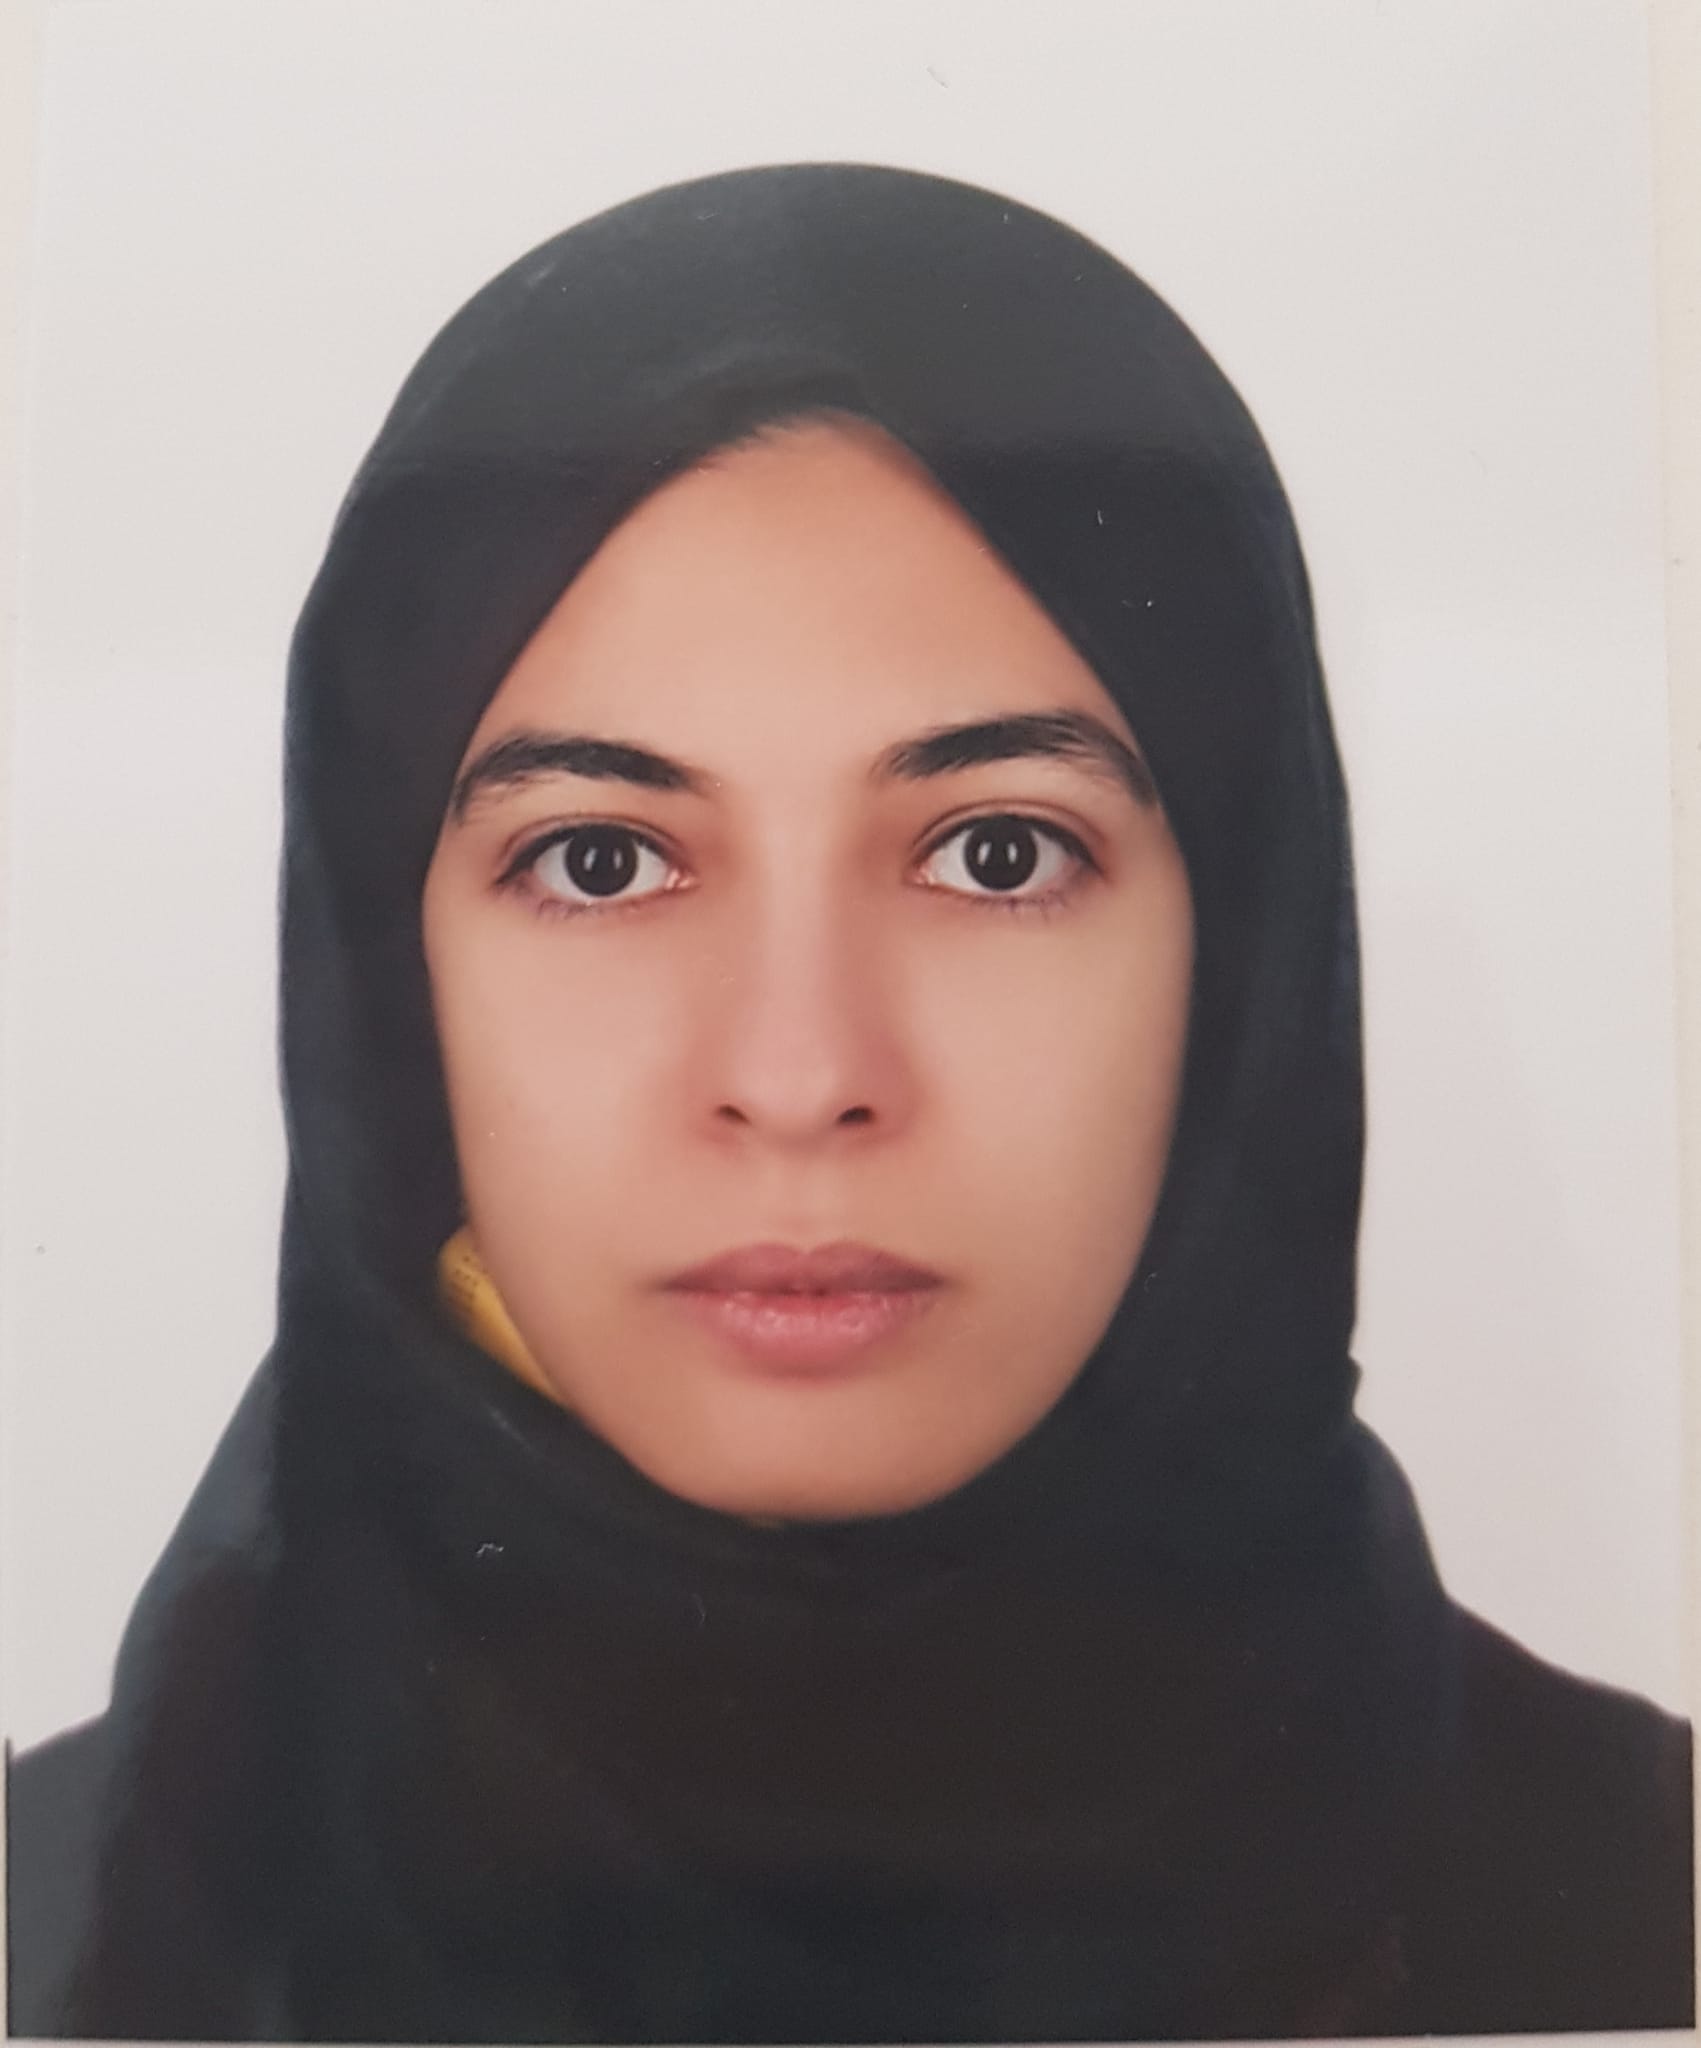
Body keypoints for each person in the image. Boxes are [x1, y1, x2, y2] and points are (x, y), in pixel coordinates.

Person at [5, 162, 1692, 2042]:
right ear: (389, 989)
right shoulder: (56, 1935)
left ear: (1242, 955)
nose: (801, 1078)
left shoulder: (1644, 1905)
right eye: (598, 860)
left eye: (994, 853)